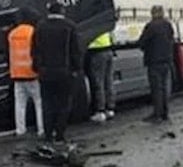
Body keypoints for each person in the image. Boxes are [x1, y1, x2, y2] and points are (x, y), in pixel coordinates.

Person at [32, 9, 82, 142]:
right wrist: (76, 68)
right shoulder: (70, 26)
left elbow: (35, 50)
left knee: (47, 104)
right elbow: (75, 50)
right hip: (64, 73)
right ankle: (60, 134)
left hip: (45, 73)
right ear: (62, 11)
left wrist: (37, 68)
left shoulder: (40, 27)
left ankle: (48, 134)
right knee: (63, 104)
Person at [7, 11, 43, 137]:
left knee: (20, 105)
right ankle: (41, 129)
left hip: (17, 74)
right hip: (31, 73)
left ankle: (20, 130)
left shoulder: (12, 34)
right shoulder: (33, 32)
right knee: (39, 103)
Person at [138, 5, 176, 122]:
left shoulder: (150, 26)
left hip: (154, 62)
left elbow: (142, 43)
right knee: (165, 88)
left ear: (153, 13)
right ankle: (165, 113)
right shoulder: (168, 25)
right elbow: (172, 39)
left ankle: (157, 114)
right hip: (167, 61)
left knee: (157, 89)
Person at [86, 30, 115, 123]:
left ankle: (100, 111)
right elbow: (113, 38)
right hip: (109, 51)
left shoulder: (94, 28)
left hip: (97, 53)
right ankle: (110, 109)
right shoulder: (105, 26)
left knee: (99, 83)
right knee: (109, 82)